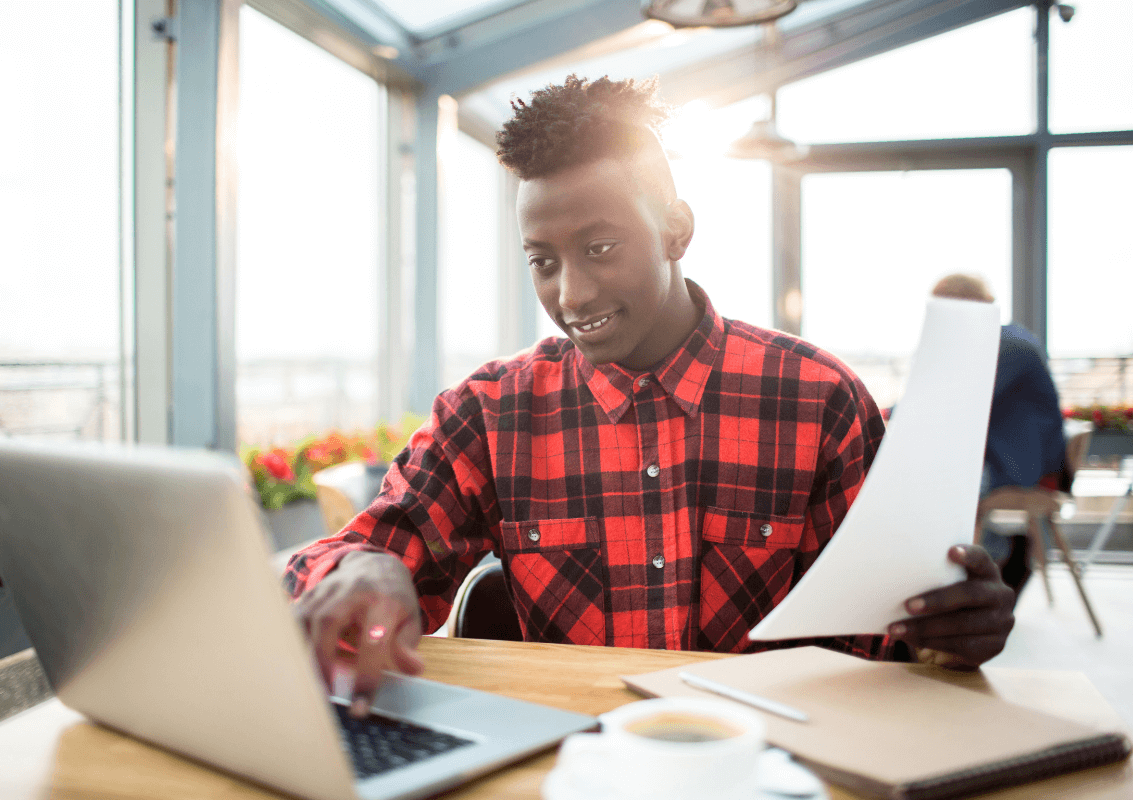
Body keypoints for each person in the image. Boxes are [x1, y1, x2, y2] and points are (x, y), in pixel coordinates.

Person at [287, 76, 1016, 718]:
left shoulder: (819, 401)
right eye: (543, 262)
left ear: (676, 230)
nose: (571, 294)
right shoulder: (489, 413)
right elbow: (329, 561)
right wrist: (363, 568)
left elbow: (890, 643)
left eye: (600, 249)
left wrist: (950, 635)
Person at [931, 274, 1069, 596]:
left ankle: (994, 559)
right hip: (1018, 458)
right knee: (946, 478)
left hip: (1027, 468)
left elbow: (956, 401)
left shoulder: (1007, 347)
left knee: (945, 486)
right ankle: (995, 558)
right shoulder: (1007, 340)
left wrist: (889, 416)